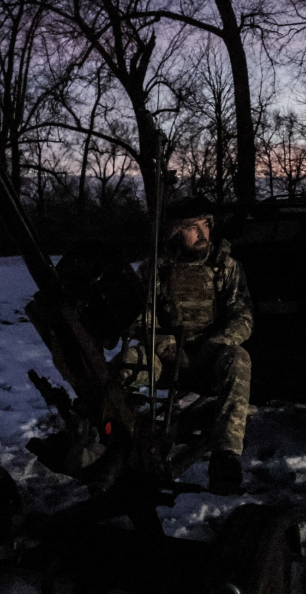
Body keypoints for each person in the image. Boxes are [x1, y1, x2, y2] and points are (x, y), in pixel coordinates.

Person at [113, 196, 254, 494]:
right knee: (124, 363)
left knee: (238, 358)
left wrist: (213, 345)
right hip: (164, 359)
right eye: (192, 227)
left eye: (206, 224)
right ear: (175, 232)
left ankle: (226, 455)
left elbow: (243, 318)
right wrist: (167, 347)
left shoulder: (225, 267)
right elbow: (139, 318)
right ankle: (110, 439)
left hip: (210, 359)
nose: (203, 233)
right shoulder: (155, 269)